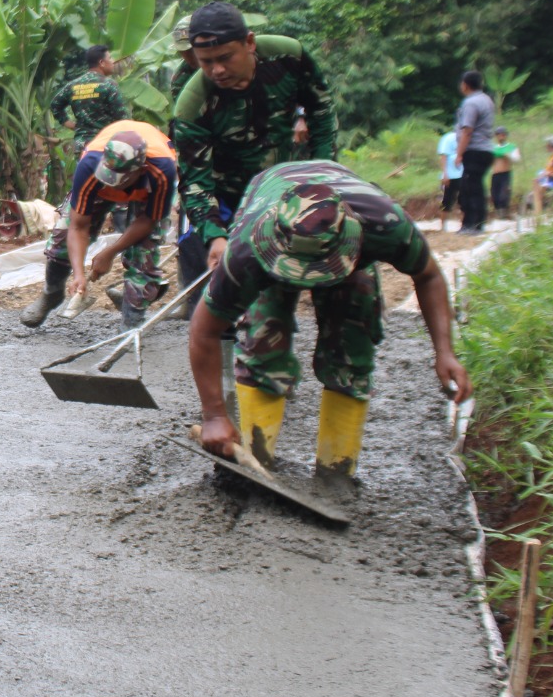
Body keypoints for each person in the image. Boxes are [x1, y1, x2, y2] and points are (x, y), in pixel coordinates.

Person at [189, 161, 471, 478]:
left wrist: (445, 351)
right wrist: (214, 416)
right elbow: (204, 330)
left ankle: (336, 473)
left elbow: (429, 275)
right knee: (263, 337)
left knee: (352, 339)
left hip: (348, 253)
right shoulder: (247, 250)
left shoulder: (385, 224)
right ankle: (256, 464)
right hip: (271, 210)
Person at [172, 1, 337, 292]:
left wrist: (324, 176)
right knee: (225, 292)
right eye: (206, 62)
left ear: (249, 42)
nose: (217, 70)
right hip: (227, 196)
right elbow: (195, 181)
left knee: (309, 275)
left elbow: (321, 111)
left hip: (282, 186)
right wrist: (215, 236)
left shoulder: (288, 56)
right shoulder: (192, 104)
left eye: (225, 57)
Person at [21, 44, 130, 326]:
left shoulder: (74, 86)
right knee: (66, 229)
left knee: (138, 230)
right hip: (96, 156)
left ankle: (136, 293)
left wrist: (72, 124)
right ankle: (51, 293)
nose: (113, 62)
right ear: (103, 62)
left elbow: (56, 106)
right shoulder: (109, 88)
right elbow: (123, 121)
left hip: (121, 161)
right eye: (111, 59)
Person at [63, 121, 178, 329]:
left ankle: (130, 328)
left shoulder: (163, 169)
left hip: (147, 190)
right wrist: (78, 274)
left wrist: (110, 251)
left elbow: (149, 219)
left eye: (118, 179)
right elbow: (78, 226)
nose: (110, 182)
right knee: (62, 235)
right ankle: (49, 295)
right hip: (111, 174)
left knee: (142, 255)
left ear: (139, 170)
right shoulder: (90, 163)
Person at [454, 71, 496, 235]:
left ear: (465, 84)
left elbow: (467, 131)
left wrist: (459, 153)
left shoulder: (471, 103)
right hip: (485, 149)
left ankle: (472, 224)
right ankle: (477, 223)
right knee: (475, 186)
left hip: (475, 150)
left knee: (470, 188)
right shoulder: (486, 100)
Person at [489, 126, 520, 219]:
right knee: (494, 195)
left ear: (506, 136)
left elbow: (517, 159)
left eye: (502, 135)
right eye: (498, 135)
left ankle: (504, 214)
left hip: (505, 174)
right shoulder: (493, 148)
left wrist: (508, 156)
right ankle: (499, 214)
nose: (501, 137)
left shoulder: (511, 147)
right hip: (495, 174)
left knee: (504, 194)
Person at [437, 126, 464, 226]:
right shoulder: (448, 138)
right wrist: (445, 174)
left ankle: (463, 224)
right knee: (447, 201)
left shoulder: (465, 139)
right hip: (450, 175)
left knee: (464, 200)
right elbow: (443, 156)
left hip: (462, 174)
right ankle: (443, 226)